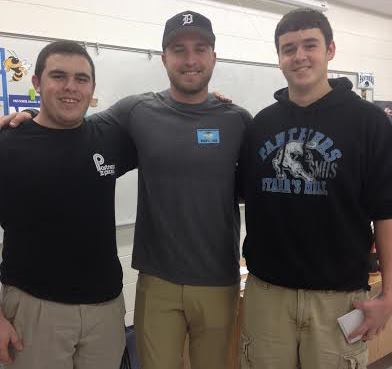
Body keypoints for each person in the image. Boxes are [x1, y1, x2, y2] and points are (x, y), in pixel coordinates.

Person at [0, 11, 252, 369]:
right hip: (135, 286)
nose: (190, 59)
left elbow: (250, 188)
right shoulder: (136, 111)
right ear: (164, 58)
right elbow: (63, 127)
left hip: (190, 287)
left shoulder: (237, 120)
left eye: (200, 49)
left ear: (214, 56)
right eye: (179, 49)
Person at [239, 8, 392, 369]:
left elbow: (386, 213)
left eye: (310, 44)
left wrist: (389, 295)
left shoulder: (368, 122)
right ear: (278, 58)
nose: (299, 56)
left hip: (337, 299)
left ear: (331, 50)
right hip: (267, 296)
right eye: (288, 48)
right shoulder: (261, 125)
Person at [0, 41, 137, 369]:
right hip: (35, 311)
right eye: (58, 76)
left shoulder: (109, 137)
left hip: (106, 309)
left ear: (92, 87)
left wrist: (208, 103)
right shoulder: (8, 145)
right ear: (36, 83)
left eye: (81, 79)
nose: (70, 88)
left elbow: (173, 127)